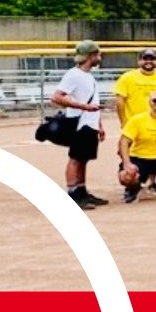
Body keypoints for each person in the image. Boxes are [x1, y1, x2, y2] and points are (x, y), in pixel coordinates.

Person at [51, 40, 107, 208]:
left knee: (83, 158)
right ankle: (72, 192)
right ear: (91, 56)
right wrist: (83, 107)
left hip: (89, 123)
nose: (100, 57)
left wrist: (100, 124)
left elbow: (93, 101)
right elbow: (57, 97)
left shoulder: (88, 76)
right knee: (75, 158)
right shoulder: (73, 74)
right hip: (79, 123)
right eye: (97, 54)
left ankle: (81, 190)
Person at [112, 48, 156, 128]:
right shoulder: (127, 77)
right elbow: (120, 102)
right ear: (139, 61)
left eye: (152, 59)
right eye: (145, 59)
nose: (148, 61)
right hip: (133, 124)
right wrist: (123, 121)